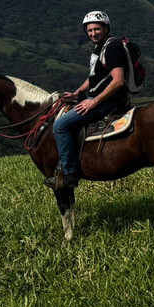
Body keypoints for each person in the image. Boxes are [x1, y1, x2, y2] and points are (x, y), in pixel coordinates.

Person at [47, 10, 130, 188]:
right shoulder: (101, 48)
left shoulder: (113, 47)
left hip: (109, 102)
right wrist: (77, 93)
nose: (93, 33)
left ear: (106, 28)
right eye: (89, 30)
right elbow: (94, 77)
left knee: (60, 125)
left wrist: (94, 101)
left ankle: (69, 175)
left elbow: (118, 81)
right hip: (98, 97)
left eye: (96, 29)